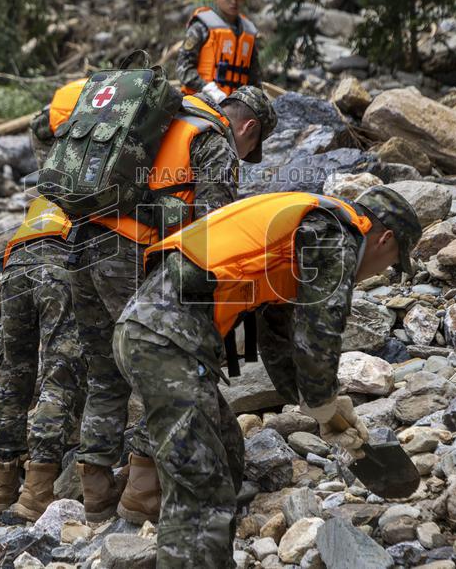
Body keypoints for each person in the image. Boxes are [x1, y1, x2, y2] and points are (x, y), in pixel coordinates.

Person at [113, 186, 422, 567]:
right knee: (201, 486)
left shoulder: (306, 230)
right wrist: (324, 403)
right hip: (163, 339)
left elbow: (277, 334)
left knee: (225, 452)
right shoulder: (336, 236)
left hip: (154, 334)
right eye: (392, 262)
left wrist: (314, 404)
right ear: (385, 238)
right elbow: (320, 329)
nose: (383, 271)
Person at [70, 85, 276, 524]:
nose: (244, 155)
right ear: (250, 128)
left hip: (83, 243)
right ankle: (143, 490)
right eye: (251, 148)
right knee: (160, 362)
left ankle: (96, 492)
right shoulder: (214, 139)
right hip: (132, 252)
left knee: (105, 370)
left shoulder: (166, 118)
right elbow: (213, 226)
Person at [0, 78, 87, 522]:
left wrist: (72, 104)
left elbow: (40, 122)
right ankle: (38, 487)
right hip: (58, 264)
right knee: (59, 374)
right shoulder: (101, 174)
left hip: (16, 261)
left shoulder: (52, 169)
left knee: (15, 372)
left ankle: (0, 484)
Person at [176, 0, 261, 103]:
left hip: (236, 107)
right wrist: (208, 89)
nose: (234, 1)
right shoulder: (201, 26)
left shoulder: (249, 32)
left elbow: (254, 78)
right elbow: (183, 69)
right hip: (199, 102)